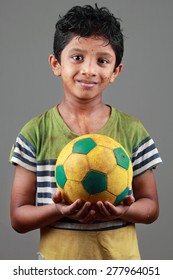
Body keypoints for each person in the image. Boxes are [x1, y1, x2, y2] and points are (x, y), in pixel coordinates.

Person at [9, 4, 162, 260]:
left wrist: (122, 212)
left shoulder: (133, 131)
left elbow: (151, 208)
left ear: (115, 71)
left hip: (120, 267)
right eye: (77, 57)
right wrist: (58, 210)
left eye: (102, 61)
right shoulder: (34, 132)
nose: (89, 70)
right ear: (56, 63)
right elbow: (18, 217)